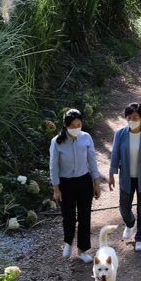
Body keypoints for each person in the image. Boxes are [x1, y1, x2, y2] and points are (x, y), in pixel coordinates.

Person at [108, 102, 141, 251]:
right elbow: (115, 155)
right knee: (124, 207)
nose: (132, 120)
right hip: (126, 177)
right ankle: (130, 223)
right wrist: (111, 174)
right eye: (129, 117)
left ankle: (140, 238)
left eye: (136, 117)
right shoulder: (120, 134)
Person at [49, 108, 102, 262]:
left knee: (85, 216)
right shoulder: (56, 142)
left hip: (84, 181)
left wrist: (96, 183)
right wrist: (56, 189)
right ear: (66, 126)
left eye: (79, 125)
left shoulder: (86, 138)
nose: (76, 128)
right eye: (73, 126)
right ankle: (67, 242)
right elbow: (54, 166)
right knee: (68, 216)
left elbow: (92, 161)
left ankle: (82, 250)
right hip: (65, 183)